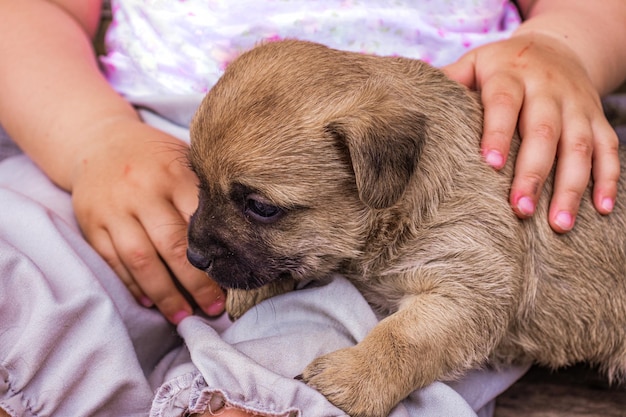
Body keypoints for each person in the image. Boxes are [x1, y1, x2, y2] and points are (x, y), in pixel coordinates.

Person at [0, 1, 624, 416]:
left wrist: (563, 44)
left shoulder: (422, 202)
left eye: (261, 210)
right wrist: (90, 140)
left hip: (447, 152)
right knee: (20, 259)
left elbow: (462, 297)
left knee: (330, 352)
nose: (198, 245)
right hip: (120, 130)